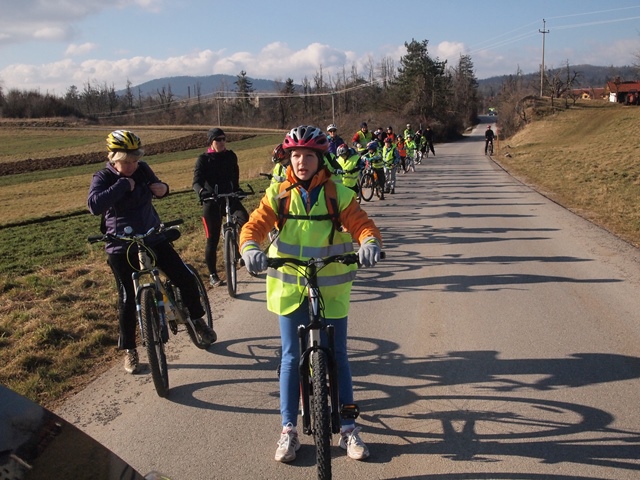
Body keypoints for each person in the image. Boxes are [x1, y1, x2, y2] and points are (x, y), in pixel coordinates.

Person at [239, 125, 382, 463]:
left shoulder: (337, 193)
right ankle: (288, 430)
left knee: (340, 357)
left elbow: (361, 223)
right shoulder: (279, 193)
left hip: (330, 287)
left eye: (309, 156)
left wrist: (370, 242)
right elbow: (254, 225)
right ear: (289, 158)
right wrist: (249, 247)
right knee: (290, 358)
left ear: (320, 159)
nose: (301, 161)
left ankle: (349, 428)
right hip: (290, 286)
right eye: (296, 155)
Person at [88, 130, 217, 374]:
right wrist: (122, 184)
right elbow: (94, 205)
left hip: (151, 236)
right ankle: (130, 350)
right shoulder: (103, 177)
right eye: (126, 161)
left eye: (134, 160)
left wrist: (164, 188)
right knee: (126, 297)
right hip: (120, 245)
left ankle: (197, 320)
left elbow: (159, 188)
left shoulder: (143, 170)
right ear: (112, 158)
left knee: (184, 276)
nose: (131, 165)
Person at [193, 127, 249, 287]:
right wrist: (202, 192)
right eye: (218, 139)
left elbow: (235, 174)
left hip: (230, 197)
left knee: (245, 220)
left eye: (224, 139)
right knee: (212, 239)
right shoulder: (203, 159)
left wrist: (237, 189)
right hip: (212, 200)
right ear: (211, 142)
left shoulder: (231, 156)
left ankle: (239, 252)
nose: (222, 142)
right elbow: (196, 182)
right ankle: (213, 275)